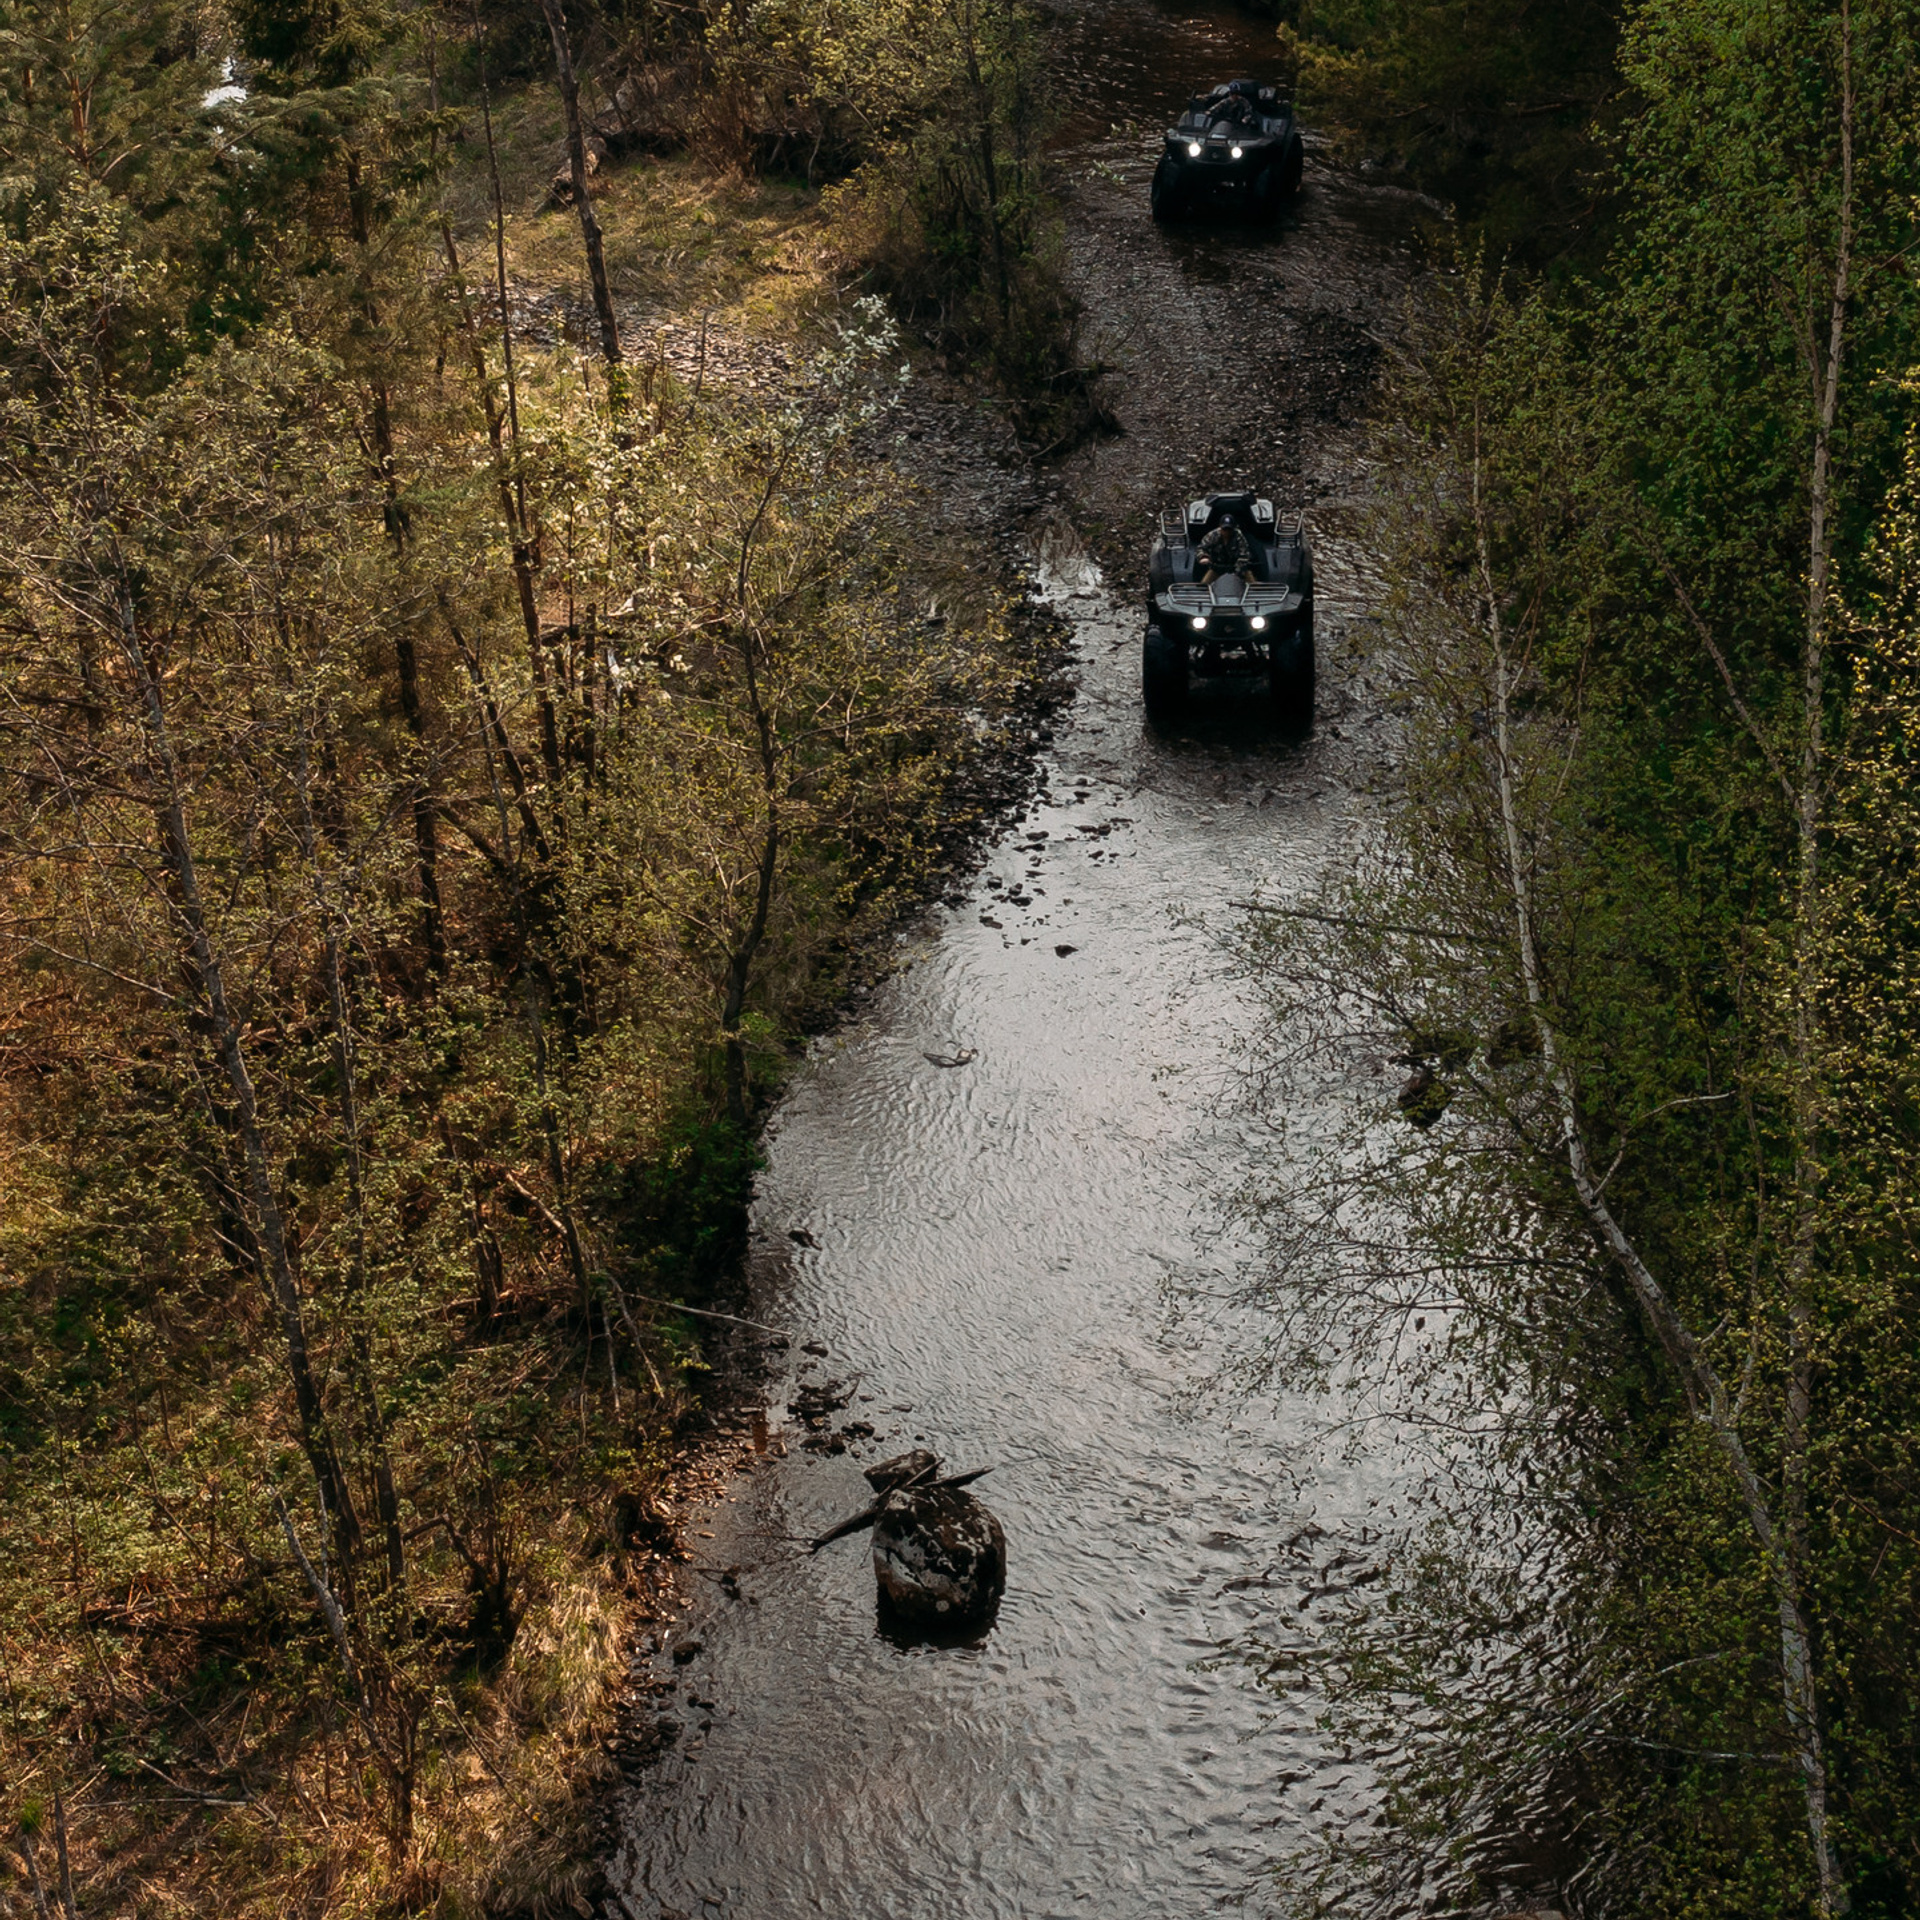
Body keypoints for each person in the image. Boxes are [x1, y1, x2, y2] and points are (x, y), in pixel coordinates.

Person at [1196, 517, 1254, 583]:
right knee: (1204, 584)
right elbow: (1201, 548)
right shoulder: (1213, 535)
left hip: (1235, 567)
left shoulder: (1238, 536)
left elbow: (1244, 555)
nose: (1227, 532)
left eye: (1229, 529)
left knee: (1253, 585)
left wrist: (1237, 572)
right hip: (1217, 568)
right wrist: (1203, 556)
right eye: (1224, 529)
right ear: (1220, 528)